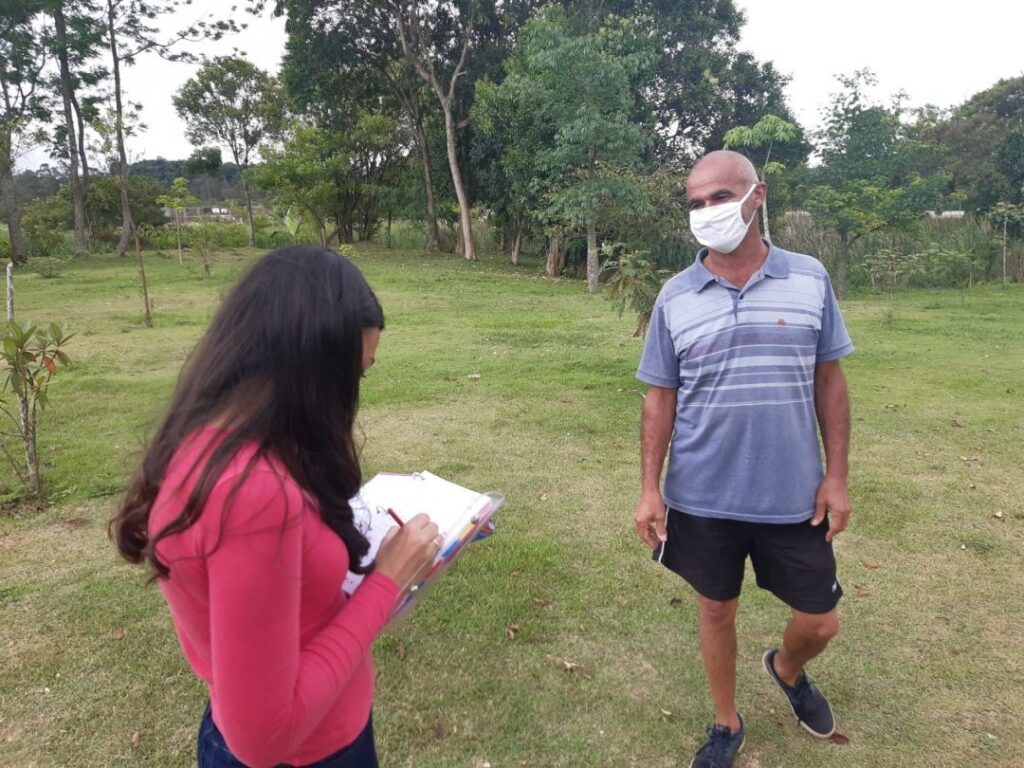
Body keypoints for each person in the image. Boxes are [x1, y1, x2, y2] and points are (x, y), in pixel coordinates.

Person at [112, 246, 441, 768]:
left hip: (322, 727)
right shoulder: (252, 497)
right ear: (306, 371)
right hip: (311, 754)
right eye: (352, 376)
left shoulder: (210, 435)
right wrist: (388, 581)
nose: (352, 395)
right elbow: (264, 738)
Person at [633, 151, 854, 768]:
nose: (707, 213)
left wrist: (836, 476)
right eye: (696, 203)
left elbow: (829, 380)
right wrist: (650, 489)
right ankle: (726, 722)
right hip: (702, 494)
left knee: (820, 621)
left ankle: (787, 668)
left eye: (720, 197)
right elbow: (660, 398)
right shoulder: (676, 295)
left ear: (757, 195)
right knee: (715, 608)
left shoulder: (809, 278)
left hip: (792, 492)